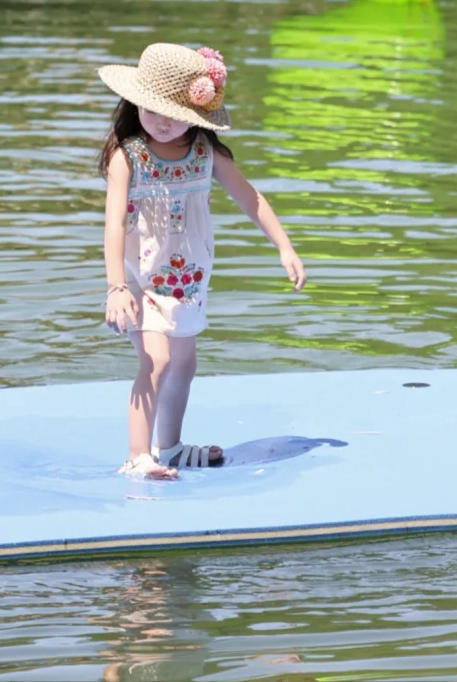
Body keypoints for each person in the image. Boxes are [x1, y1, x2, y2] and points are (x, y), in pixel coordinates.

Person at [98, 41, 306, 479]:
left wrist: (284, 246)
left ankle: (170, 447)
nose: (162, 122)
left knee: (184, 364)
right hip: (139, 276)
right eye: (151, 110)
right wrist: (115, 286)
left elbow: (250, 198)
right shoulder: (128, 157)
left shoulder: (206, 154)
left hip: (186, 279)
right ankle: (138, 456)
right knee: (156, 360)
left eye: (173, 114)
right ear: (135, 104)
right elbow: (114, 223)